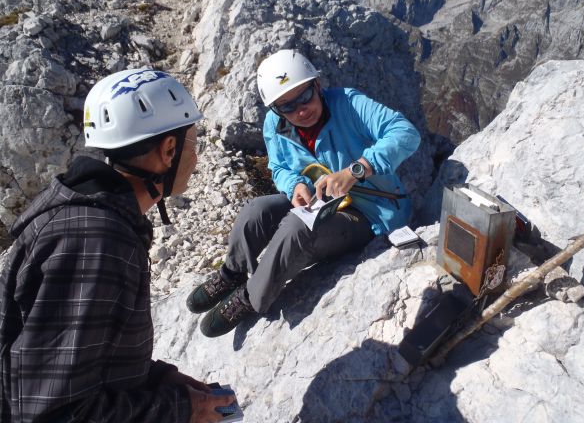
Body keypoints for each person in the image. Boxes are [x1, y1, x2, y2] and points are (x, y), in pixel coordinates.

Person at [0, 69, 236, 422]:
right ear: (168, 150)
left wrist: (159, 378)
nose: (196, 154)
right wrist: (185, 409)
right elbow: (56, 413)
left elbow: (79, 358)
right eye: (193, 140)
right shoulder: (96, 244)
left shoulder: (87, 219)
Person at [187, 49, 421, 338]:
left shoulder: (349, 104)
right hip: (319, 200)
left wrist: (356, 170)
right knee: (255, 211)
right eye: (287, 106)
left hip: (371, 212)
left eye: (305, 97)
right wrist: (295, 186)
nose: (300, 110)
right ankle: (231, 273)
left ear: (317, 86)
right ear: (275, 109)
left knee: (297, 227)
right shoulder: (275, 124)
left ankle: (250, 297)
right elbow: (279, 166)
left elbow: (405, 132)